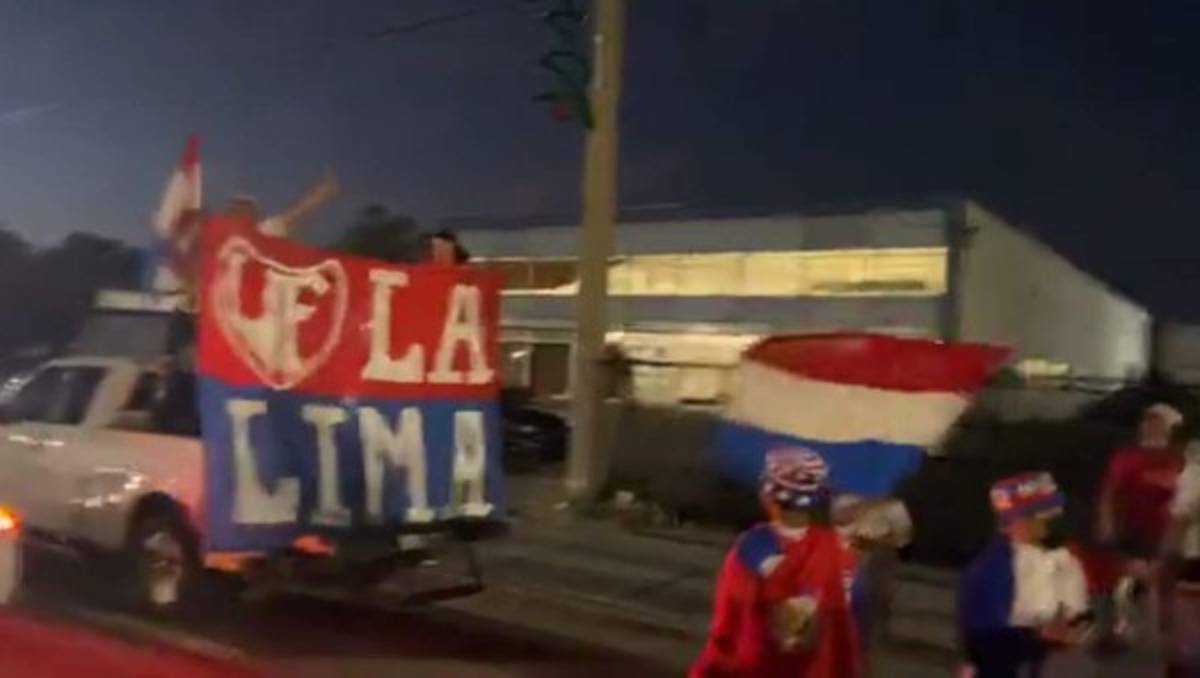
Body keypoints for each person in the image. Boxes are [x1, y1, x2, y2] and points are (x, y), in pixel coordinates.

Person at [691, 448, 861, 678]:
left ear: (767, 494)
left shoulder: (753, 548)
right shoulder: (838, 550)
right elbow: (845, 624)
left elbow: (729, 626)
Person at [959, 472, 1091, 678]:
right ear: (1013, 522)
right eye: (1044, 516)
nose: (1052, 523)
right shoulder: (993, 571)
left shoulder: (1051, 558)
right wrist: (1044, 638)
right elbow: (989, 644)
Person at [1096, 402, 1187, 643]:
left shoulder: (1179, 459)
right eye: (1147, 422)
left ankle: (1166, 633)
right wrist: (1107, 523)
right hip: (1132, 530)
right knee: (1126, 579)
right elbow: (1110, 492)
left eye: (1157, 423)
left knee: (1165, 582)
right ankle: (1119, 627)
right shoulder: (1127, 458)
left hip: (1168, 533)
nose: (1149, 427)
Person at [1159, 439, 1200, 676]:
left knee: (1188, 625)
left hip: (1194, 559)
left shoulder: (1194, 474)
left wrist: (1167, 554)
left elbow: (1181, 517)